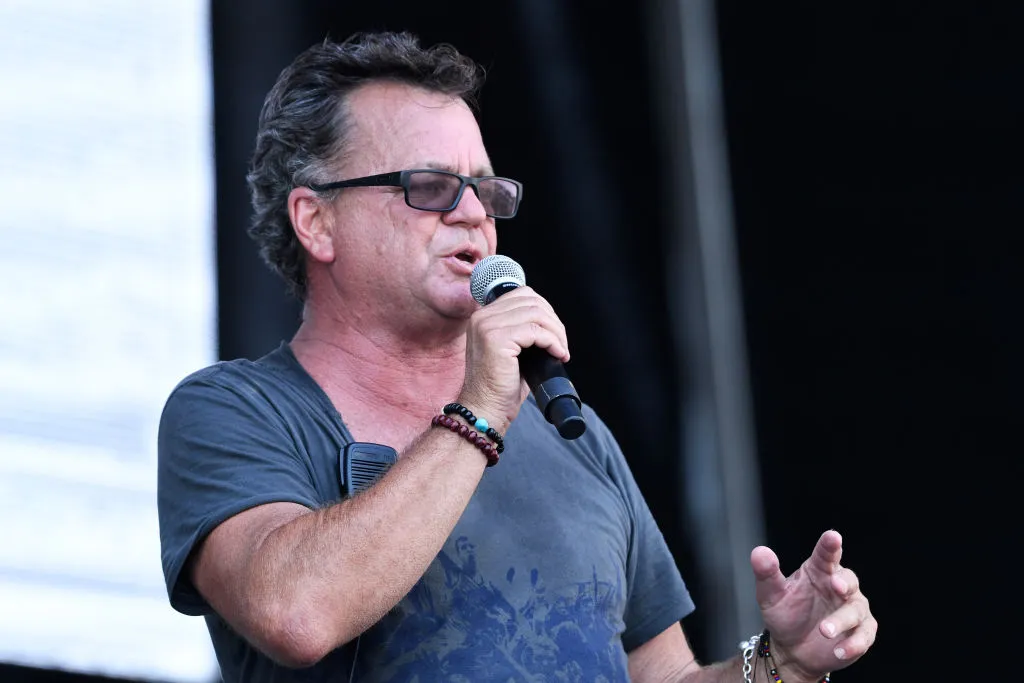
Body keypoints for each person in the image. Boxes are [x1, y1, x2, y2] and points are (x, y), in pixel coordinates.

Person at [157, 30, 877, 683]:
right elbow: (296, 613)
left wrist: (779, 664)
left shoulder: (576, 433)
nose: (473, 213)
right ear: (316, 221)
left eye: (486, 190)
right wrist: (477, 412)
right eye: (430, 187)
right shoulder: (234, 411)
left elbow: (668, 678)